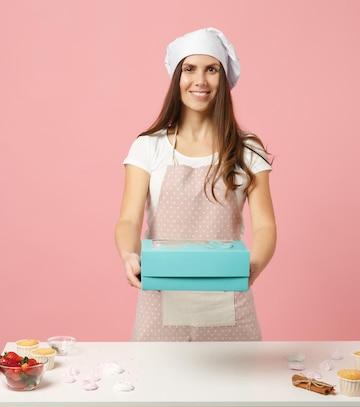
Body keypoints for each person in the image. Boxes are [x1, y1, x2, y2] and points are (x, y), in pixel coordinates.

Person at [115, 27, 277, 342]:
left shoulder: (247, 148)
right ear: (177, 79)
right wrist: (128, 255)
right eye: (189, 69)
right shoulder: (149, 146)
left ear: (224, 78)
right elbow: (129, 219)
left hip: (230, 304)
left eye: (211, 69)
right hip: (161, 304)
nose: (200, 80)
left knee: (235, 391)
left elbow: (267, 227)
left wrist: (251, 267)